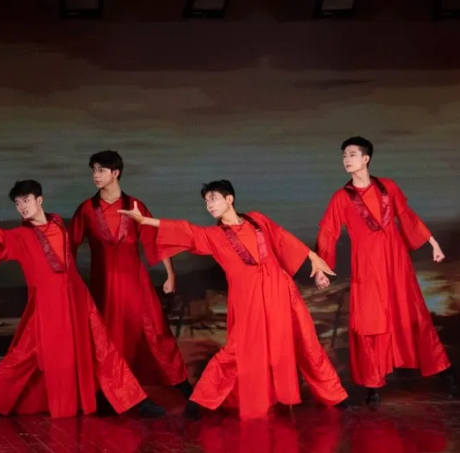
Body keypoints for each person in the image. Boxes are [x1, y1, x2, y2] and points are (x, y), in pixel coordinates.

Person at [0, 180, 165, 419]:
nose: (22, 207)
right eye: (17, 203)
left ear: (39, 200)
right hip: (47, 305)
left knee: (104, 351)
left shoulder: (57, 223)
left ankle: (136, 402)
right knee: (22, 356)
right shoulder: (21, 235)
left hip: (78, 301)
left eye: (26, 200)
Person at [119, 180, 350, 420]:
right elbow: (186, 230)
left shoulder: (257, 220)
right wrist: (145, 221)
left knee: (306, 342)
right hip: (249, 297)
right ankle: (201, 400)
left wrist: (314, 259)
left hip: (281, 291)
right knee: (236, 350)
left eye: (213, 199)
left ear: (229, 199)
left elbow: (282, 238)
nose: (209, 205)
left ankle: (335, 395)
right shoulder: (213, 235)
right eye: (206, 201)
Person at [314, 136, 457, 404]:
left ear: (366, 158)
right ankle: (372, 384)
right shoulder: (341, 197)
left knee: (411, 313)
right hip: (367, 265)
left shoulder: (388, 187)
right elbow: (328, 232)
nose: (347, 160)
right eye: (344, 155)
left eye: (352, 154)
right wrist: (321, 266)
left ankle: (442, 369)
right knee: (369, 320)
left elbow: (407, 216)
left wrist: (432, 242)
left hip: (396, 261)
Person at [69, 150, 191, 396]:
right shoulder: (86, 209)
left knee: (156, 330)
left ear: (116, 173)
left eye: (101, 170)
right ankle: (109, 391)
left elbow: (155, 240)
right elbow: (68, 246)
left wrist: (170, 274)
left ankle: (180, 382)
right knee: (108, 336)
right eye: (94, 170)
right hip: (104, 284)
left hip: (135, 281)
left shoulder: (136, 206)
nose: (96, 175)